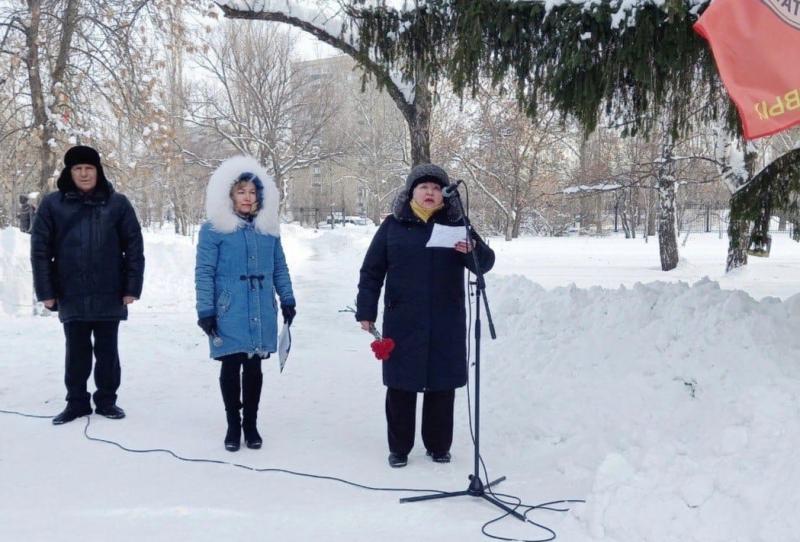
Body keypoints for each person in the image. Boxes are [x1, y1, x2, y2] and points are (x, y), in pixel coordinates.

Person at [355, 163, 495, 468]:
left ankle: (438, 445)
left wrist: (471, 249)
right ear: (411, 193)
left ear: (444, 195)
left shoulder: (458, 223)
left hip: (447, 319)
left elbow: (485, 262)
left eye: (435, 188)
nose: (430, 192)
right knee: (401, 386)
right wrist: (365, 310)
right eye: (423, 187)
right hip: (403, 319)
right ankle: (400, 448)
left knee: (442, 385)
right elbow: (372, 271)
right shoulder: (393, 226)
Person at [31, 145, 144, 425]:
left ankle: (107, 400)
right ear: (70, 172)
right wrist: (46, 292)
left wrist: (131, 287)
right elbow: (40, 250)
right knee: (76, 350)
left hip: (110, 290)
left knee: (108, 351)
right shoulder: (52, 204)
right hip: (70, 290)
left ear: (98, 171)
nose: (84, 173)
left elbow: (134, 247)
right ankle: (77, 402)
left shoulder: (118, 204)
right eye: (78, 168)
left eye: (89, 168)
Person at [195, 155, 296, 452]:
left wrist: (287, 298)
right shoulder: (213, 230)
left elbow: (280, 267)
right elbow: (204, 272)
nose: (248, 197)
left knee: (253, 369)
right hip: (229, 309)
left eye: (253, 192)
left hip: (261, 308)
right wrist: (206, 310)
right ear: (229, 194)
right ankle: (232, 424)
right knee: (230, 366)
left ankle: (250, 424)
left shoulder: (269, 230)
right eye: (241, 191)